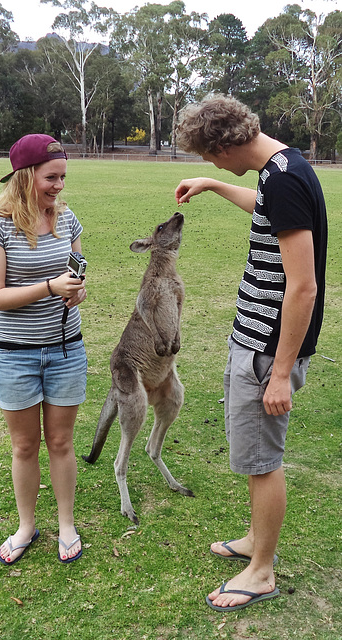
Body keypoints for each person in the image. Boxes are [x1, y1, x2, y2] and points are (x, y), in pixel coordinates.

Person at [175, 95, 327, 612]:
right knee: (255, 457)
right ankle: (255, 542)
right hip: (257, 341)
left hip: (266, 350)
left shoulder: (282, 178)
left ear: (224, 143)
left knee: (262, 462)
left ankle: (261, 571)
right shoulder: (282, 165)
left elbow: (302, 286)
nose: (211, 165)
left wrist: (280, 372)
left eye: (210, 159)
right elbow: (266, 210)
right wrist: (217, 186)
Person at [0, 134, 88, 565]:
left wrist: (75, 291)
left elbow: (75, 271)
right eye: (51, 177)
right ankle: (26, 525)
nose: (59, 186)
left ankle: (66, 524)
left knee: (61, 442)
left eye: (63, 177)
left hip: (64, 350)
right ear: (25, 177)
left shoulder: (67, 219)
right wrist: (48, 288)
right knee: (25, 447)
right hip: (14, 354)